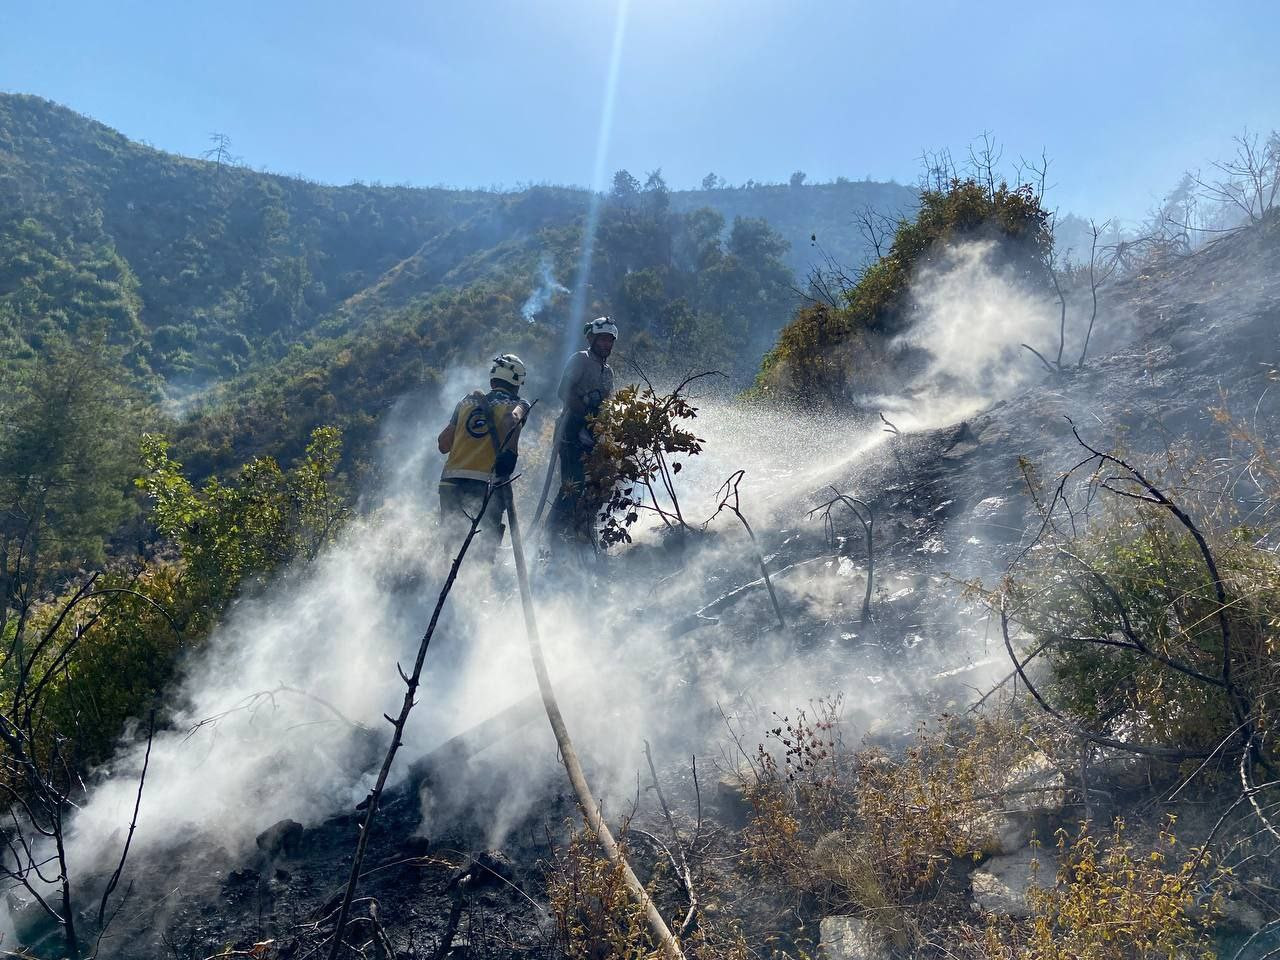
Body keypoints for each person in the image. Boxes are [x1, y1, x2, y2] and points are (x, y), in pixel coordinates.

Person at [437, 354, 530, 555]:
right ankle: (481, 583)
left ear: (492, 379)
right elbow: (512, 420)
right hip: (486, 484)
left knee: (451, 545)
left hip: (450, 483)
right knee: (484, 547)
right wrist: (509, 456)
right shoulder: (519, 403)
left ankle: (444, 581)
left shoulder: (466, 401)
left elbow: (443, 444)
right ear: (517, 382)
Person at [549, 317, 616, 541]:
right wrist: (587, 415)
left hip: (594, 435)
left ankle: (584, 531)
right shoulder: (580, 359)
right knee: (574, 484)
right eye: (603, 339)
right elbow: (564, 392)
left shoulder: (608, 372)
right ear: (592, 338)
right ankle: (553, 534)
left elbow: (607, 404)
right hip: (571, 431)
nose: (606, 344)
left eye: (610, 340)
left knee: (601, 483)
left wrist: (603, 427)